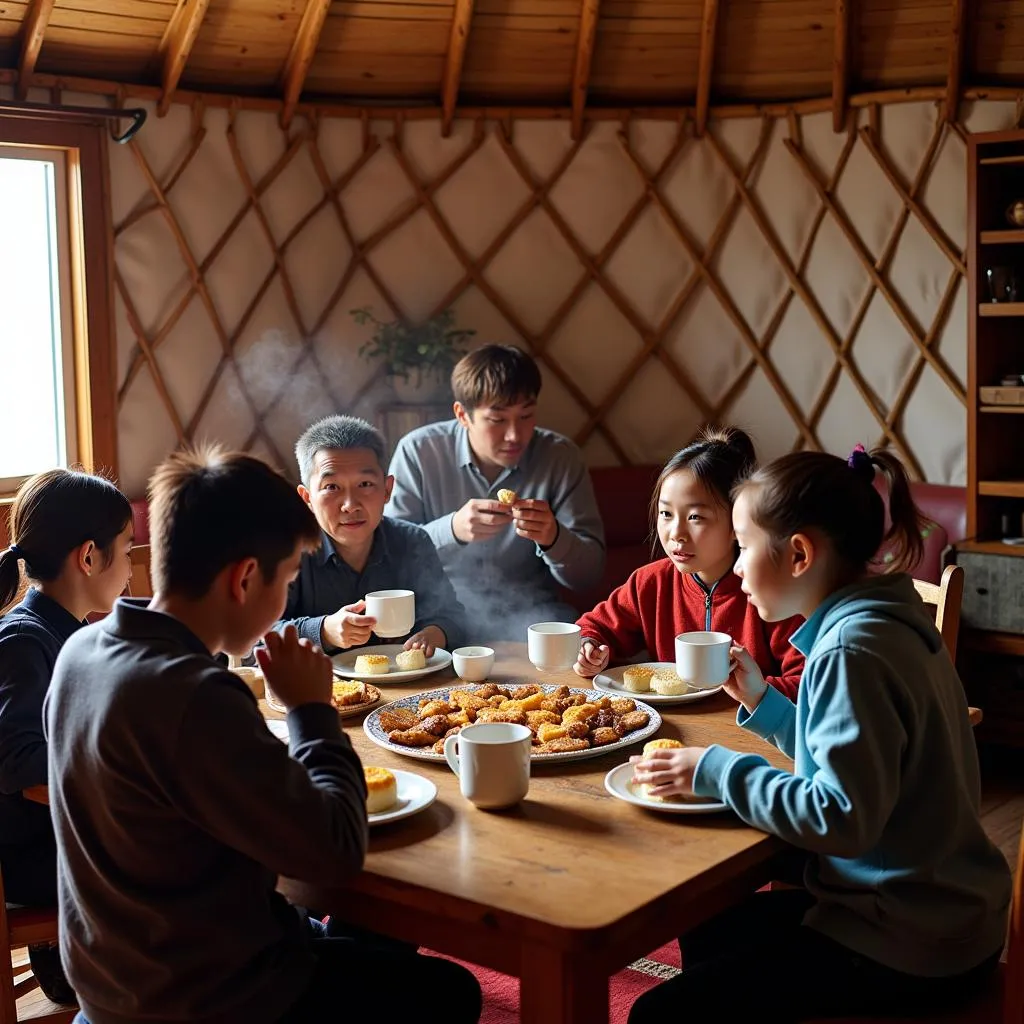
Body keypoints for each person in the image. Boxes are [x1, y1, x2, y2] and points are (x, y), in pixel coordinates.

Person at [45, 446, 481, 1024]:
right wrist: (310, 709)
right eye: (289, 579)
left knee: (369, 935)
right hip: (206, 998)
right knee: (449, 992)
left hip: (116, 977)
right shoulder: (194, 693)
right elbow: (334, 852)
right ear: (247, 577)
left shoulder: (81, 651)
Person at [628, 445, 1012, 1023]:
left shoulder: (851, 652)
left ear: (800, 554)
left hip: (906, 937)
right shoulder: (883, 622)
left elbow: (840, 817)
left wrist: (714, 770)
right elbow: (857, 756)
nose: (735, 568)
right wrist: (764, 700)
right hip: (942, 908)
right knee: (709, 922)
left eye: (745, 547)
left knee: (662, 1013)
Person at [0, 468, 133, 1006]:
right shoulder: (24, 642)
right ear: (88, 557)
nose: (130, 564)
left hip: (67, 842)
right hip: (40, 860)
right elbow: (23, 765)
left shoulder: (70, 633)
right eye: (126, 550)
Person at [386, 344, 605, 640]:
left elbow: (589, 577)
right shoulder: (419, 452)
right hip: (440, 618)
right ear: (462, 414)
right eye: (498, 420)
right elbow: (390, 558)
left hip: (534, 618)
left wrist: (553, 537)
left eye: (526, 415)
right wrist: (452, 529)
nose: (515, 435)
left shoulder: (559, 457)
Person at [574, 427, 803, 700]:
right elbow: (593, 628)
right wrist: (589, 649)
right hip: (671, 728)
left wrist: (755, 691)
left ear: (737, 522)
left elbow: (808, 682)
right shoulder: (650, 583)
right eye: (666, 513)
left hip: (750, 729)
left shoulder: (768, 592)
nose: (676, 533)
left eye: (695, 517)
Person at [275, 414, 465, 655]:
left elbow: (453, 615)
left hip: (411, 687)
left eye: (364, 484)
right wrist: (323, 631)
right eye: (331, 487)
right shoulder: (288, 551)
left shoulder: (412, 542)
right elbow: (256, 635)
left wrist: (436, 632)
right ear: (307, 498)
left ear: (387, 490)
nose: (350, 505)